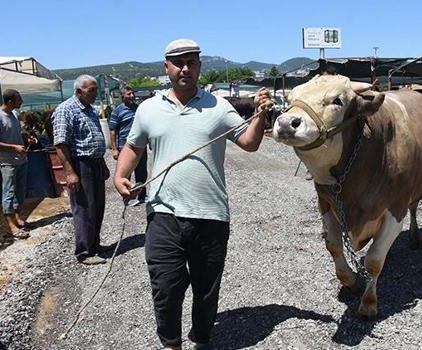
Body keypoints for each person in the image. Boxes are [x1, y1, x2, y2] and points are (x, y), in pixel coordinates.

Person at [113, 38, 271, 350]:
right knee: (166, 286)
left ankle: (201, 338)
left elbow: (250, 143)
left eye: (192, 62)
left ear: (200, 66)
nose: (185, 68)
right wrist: (120, 175)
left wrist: (260, 113)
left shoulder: (219, 107)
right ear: (166, 67)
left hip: (210, 215)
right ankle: (171, 344)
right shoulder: (148, 109)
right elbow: (133, 147)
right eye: (178, 62)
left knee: (206, 290)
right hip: (163, 214)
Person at [52, 75, 109, 265]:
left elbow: (94, 139)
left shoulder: (90, 110)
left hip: (95, 163)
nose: (95, 94)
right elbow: (60, 144)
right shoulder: (66, 110)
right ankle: (84, 251)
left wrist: (102, 164)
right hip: (80, 164)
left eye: (95, 90)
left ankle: (95, 245)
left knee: (98, 206)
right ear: (78, 91)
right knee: (84, 207)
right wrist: (70, 172)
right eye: (91, 91)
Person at [0, 89, 35, 239]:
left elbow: (18, 131)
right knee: (8, 192)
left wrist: (27, 137)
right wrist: (14, 148)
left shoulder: (15, 114)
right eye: (19, 99)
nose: (21, 102)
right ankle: (11, 226)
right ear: (10, 101)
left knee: (20, 191)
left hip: (21, 160)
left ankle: (18, 218)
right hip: (7, 162)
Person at [109, 86, 146, 206]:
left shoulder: (139, 109)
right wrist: (114, 149)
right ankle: (127, 197)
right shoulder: (117, 111)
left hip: (140, 146)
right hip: (125, 147)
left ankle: (142, 195)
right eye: (129, 94)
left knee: (142, 172)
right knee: (126, 173)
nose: (132, 96)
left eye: (133, 93)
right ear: (122, 96)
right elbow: (113, 131)